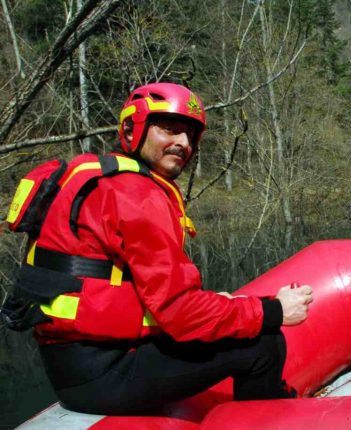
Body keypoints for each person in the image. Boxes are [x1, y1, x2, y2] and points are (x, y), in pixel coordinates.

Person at [10, 82, 313, 414]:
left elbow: (140, 293)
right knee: (263, 343)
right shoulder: (135, 195)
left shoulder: (100, 179)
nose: (183, 143)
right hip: (104, 374)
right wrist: (275, 311)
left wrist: (222, 304)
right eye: (170, 129)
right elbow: (182, 313)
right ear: (132, 129)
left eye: (190, 136)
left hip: (74, 366)